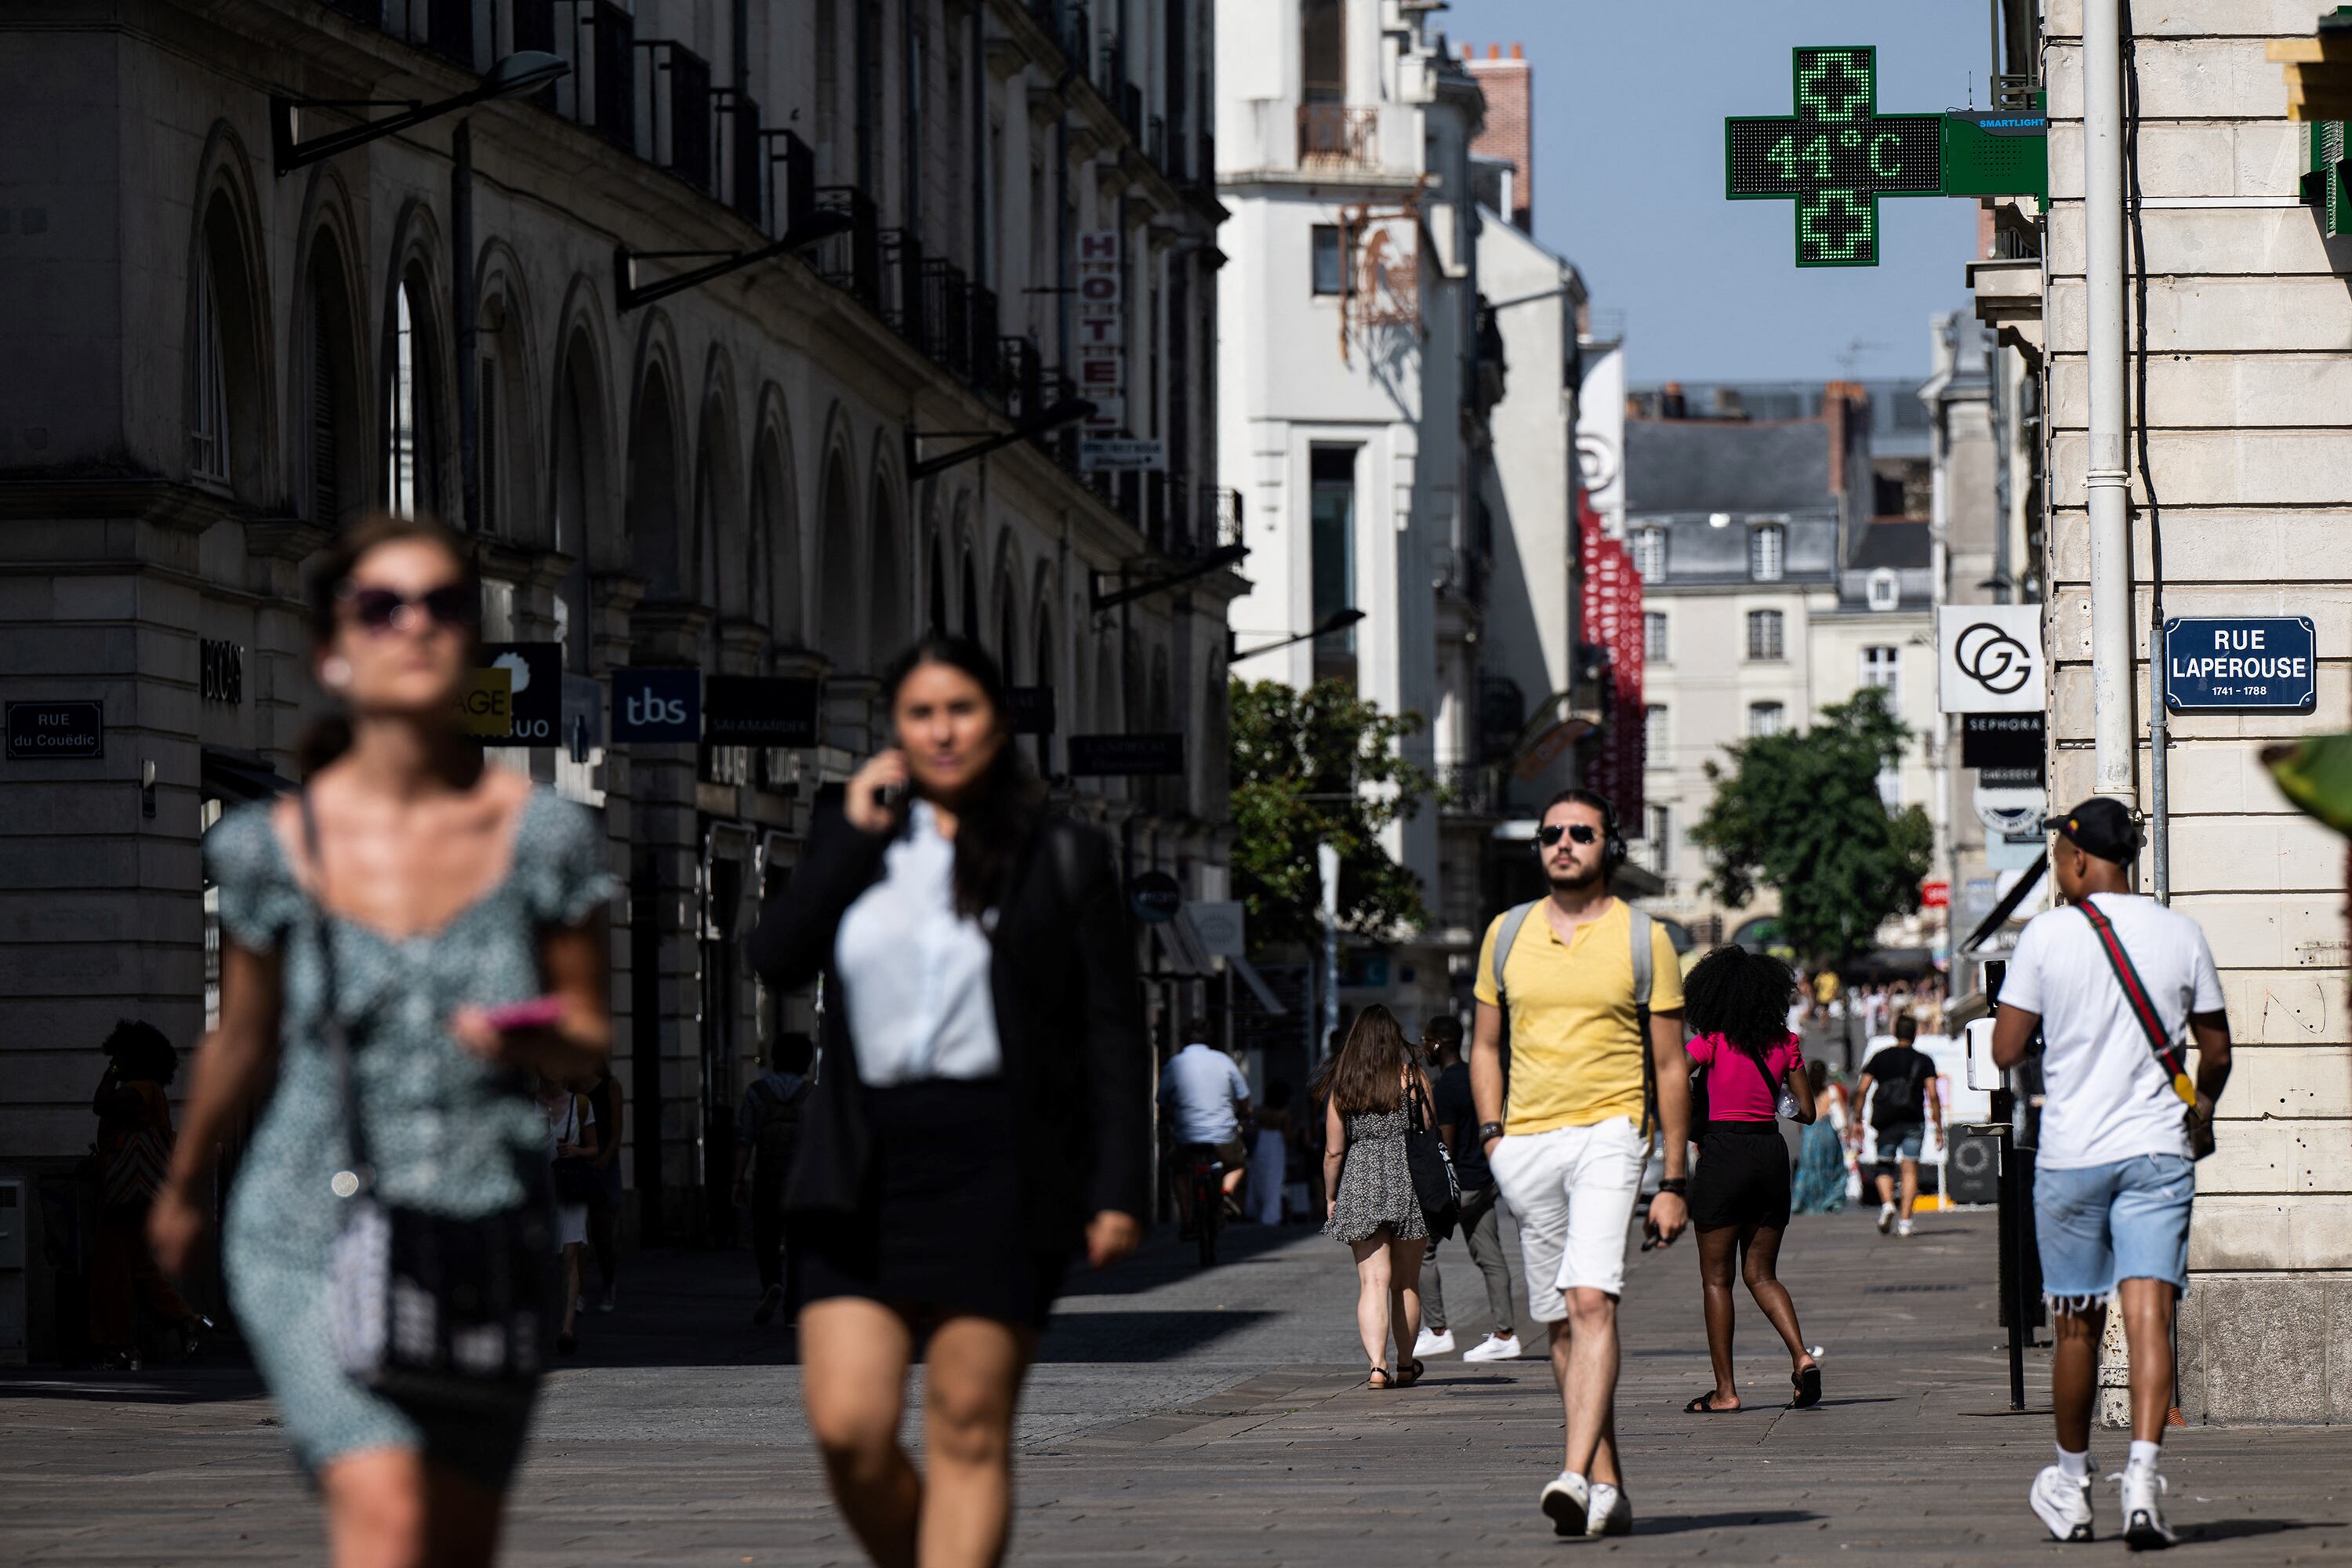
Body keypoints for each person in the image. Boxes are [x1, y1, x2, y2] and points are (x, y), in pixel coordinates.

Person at [149, 511, 615, 1567]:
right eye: (382, 607)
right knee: (386, 1515)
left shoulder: (544, 840)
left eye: (443, 607)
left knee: (453, 1538)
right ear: (332, 650)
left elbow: (586, 1039)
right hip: (307, 1226)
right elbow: (245, 1035)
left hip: (485, 1225)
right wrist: (181, 1185)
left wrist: (515, 1029)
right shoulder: (270, 846)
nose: (415, 627)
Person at [744, 633, 1147, 1568]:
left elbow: (1112, 1031)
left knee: (968, 1424)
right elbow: (774, 957)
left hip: (1000, 1161)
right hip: (857, 1162)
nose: (942, 730)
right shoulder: (855, 837)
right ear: (895, 727)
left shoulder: (1063, 854)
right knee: (850, 1429)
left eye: (960, 709)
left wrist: (1120, 1184)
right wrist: (848, 838)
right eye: (921, 712)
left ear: (998, 722)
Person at [1992, 798, 2230, 1549]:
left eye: (2061, 860)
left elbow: (2003, 1050)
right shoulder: (2181, 933)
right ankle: (2144, 1482)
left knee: (2075, 1329)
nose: (2059, 872)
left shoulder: (2046, 937)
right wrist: (2204, 1109)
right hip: (2158, 1152)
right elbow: (2217, 1051)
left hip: (2072, 1158)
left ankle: (2070, 1484)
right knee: (2150, 1314)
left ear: (2081, 859)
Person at [1471, 788, 1690, 1538]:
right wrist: (1494, 1138)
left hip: (1610, 1133)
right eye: (1552, 833)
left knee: (1592, 1300)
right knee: (1562, 1325)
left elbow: (1668, 1065)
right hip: (1525, 1146)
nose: (1565, 844)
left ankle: (1568, 1474)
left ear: (1609, 847)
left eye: (1582, 834)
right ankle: (1608, 1484)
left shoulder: (1642, 937)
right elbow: (1486, 1046)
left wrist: (1673, 1177)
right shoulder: (1505, 934)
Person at [1679, 946, 1821, 1414]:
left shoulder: (1713, 1042)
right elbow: (1807, 1112)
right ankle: (1802, 1357)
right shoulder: (1786, 1042)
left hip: (1723, 1153)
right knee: (1761, 1273)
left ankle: (1726, 1392)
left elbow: (1673, 1076)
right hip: (1769, 1153)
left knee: (1716, 1281)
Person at [1317, 1005, 1435, 1389]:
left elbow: (1334, 1151)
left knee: (1372, 1282)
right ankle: (1405, 1364)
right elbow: (1430, 1134)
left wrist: (1332, 1196)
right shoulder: (1413, 1079)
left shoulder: (1345, 1083)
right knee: (1406, 1282)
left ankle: (1377, 1368)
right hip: (1409, 1181)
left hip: (1361, 1179)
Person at [88, 1019, 203, 1370]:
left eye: (119, 1056)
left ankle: (120, 1346)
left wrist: (113, 1069)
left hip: (128, 1197)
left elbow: (102, 1103)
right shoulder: (153, 1092)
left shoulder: (139, 1089)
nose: (115, 1064)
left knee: (113, 1271)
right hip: (143, 1194)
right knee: (138, 1267)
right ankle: (185, 1319)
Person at [1418, 1014, 1519, 1363]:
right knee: (1491, 1257)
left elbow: (1443, 1145)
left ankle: (1436, 1331)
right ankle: (1505, 1334)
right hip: (1485, 1181)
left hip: (1458, 1185)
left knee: (1419, 1252)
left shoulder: (1445, 1087)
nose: (1422, 1046)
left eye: (1425, 1039)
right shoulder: (1478, 1079)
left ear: (1437, 1044)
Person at [733, 1032, 815, 1325]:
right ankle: (794, 1308)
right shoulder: (811, 1095)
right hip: (802, 1181)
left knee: (765, 1237)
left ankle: (771, 1283)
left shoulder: (757, 1092)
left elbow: (745, 1139)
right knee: (798, 1244)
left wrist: (737, 1180)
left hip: (767, 1177)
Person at [1156, 1022, 1250, 1234]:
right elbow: (1244, 1097)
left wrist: (1170, 1117)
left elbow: (1162, 1100)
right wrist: (1244, 1113)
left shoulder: (1175, 1064)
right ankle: (1225, 1193)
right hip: (1222, 1133)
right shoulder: (1224, 1061)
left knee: (1179, 1170)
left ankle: (1188, 1218)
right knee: (1237, 1163)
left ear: (1182, 1040)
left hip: (1186, 1134)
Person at [1854, 1013, 1941, 1237]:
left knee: (1884, 1165)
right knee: (1910, 1169)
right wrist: (1939, 1126)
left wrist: (1857, 1119)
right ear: (1915, 1034)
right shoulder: (1924, 1060)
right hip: (1913, 1119)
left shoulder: (1880, 1057)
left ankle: (1887, 1205)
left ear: (1895, 1032)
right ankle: (1905, 1222)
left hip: (1887, 1121)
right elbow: (1932, 1095)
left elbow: (1862, 1088)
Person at [541, 1076, 598, 1355]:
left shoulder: (581, 1104)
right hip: (541, 1191)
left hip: (571, 1188)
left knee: (569, 1256)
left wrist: (576, 1150)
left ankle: (567, 1329)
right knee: (544, 1257)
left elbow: (594, 1148)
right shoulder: (529, 1105)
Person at [582, 1062, 625, 1314]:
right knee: (576, 1235)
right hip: (578, 1164)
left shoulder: (610, 1087)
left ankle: (609, 1284)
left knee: (602, 1233)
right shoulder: (571, 1087)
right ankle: (578, 1290)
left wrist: (605, 1159)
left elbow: (617, 1131)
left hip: (603, 1166)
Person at [1791, 1062, 1849, 1214]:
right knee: (1833, 1166)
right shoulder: (1831, 1091)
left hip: (1810, 1131)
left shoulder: (1805, 1092)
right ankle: (1830, 1200)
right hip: (1827, 1131)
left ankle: (1804, 1201)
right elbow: (1842, 1116)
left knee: (1808, 1167)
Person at [1246, 1080, 1294, 1226]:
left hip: (1261, 1143)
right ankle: (1271, 1214)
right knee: (1274, 1180)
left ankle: (1255, 1209)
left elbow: (1250, 1128)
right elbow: (1288, 1136)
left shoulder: (1260, 1110)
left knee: (1257, 1177)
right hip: (1276, 1145)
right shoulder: (1284, 1115)